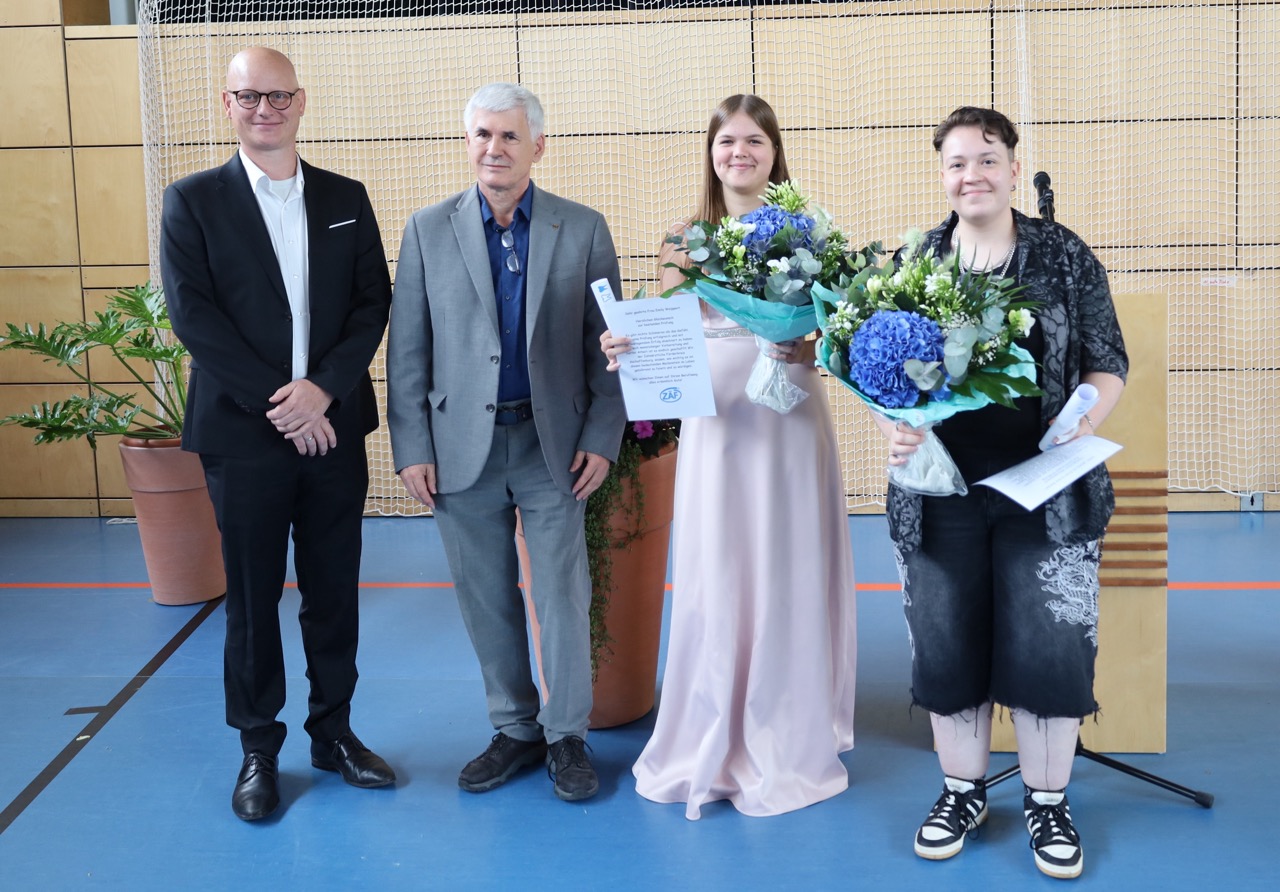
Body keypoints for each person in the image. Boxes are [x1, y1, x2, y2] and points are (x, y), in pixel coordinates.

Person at [877, 107, 1128, 879]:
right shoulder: (917, 262)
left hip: (1046, 490)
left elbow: (1108, 361)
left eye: (987, 159)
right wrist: (895, 427)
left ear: (1014, 169)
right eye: (957, 163)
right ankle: (964, 792)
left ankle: (1048, 802)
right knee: (947, 643)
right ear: (942, 175)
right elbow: (881, 372)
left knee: (1049, 646)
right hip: (940, 491)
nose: (972, 175)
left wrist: (1083, 418)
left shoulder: (1064, 254)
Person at [599, 95, 857, 820]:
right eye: (726, 142)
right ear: (710, 153)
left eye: (753, 141)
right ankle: (714, 717)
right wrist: (626, 348)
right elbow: (670, 336)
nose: (738, 153)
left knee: (786, 559)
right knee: (719, 565)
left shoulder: (812, 233)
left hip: (789, 417)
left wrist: (807, 344)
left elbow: (833, 335)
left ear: (775, 152)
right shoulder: (683, 239)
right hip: (717, 427)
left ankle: (789, 719)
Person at [160, 47, 395, 822]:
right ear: (227, 104)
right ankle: (259, 748)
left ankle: (334, 734)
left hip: (334, 431)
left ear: (301, 102)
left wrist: (322, 390)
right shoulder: (192, 202)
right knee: (253, 601)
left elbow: (372, 303)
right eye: (249, 96)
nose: (265, 109)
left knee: (334, 594)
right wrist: (283, 405)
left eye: (278, 95)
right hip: (244, 437)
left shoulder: (345, 197)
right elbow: (195, 318)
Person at [386, 83, 625, 802]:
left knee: (562, 595)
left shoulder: (583, 229)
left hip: (555, 448)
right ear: (468, 143)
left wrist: (602, 436)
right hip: (461, 450)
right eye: (483, 135)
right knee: (485, 597)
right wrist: (411, 445)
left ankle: (567, 735)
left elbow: (608, 347)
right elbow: (408, 350)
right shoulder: (427, 230)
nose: (495, 149)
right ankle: (515, 729)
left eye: (510, 136)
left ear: (538, 146)